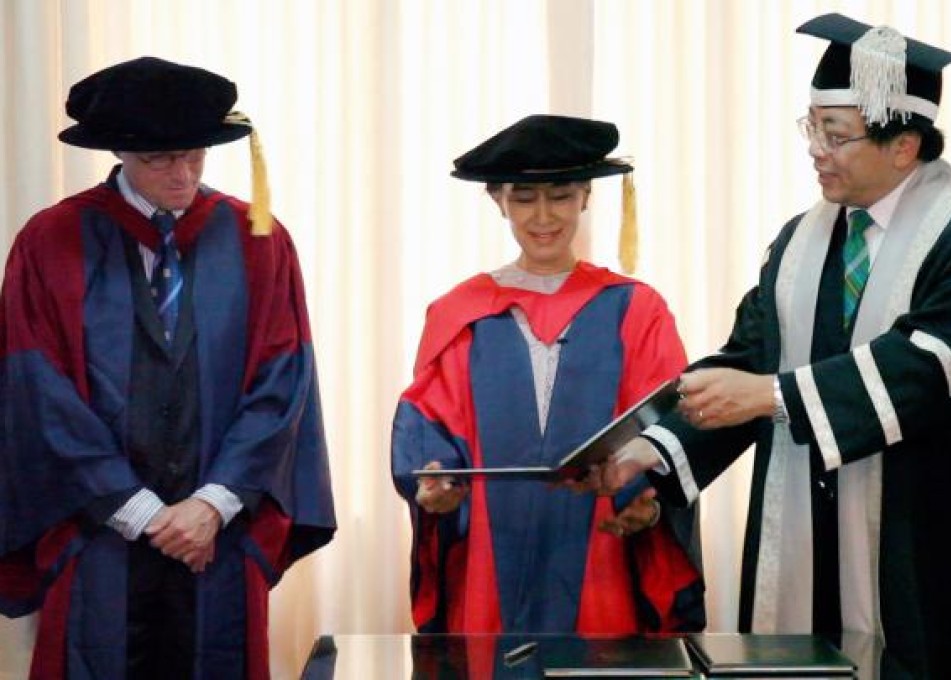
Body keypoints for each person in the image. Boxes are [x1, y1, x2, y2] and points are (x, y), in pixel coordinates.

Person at [588, 13, 951, 680]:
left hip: (935, 542)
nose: (816, 148)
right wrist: (648, 450)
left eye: (836, 134)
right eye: (811, 127)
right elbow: (750, 357)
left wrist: (770, 396)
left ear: (904, 145)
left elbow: (928, 365)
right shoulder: (800, 243)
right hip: (808, 543)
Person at [0, 56, 336, 680]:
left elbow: (282, 384)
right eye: (160, 160)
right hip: (97, 529)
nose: (182, 175)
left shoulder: (257, 238)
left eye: (195, 155)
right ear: (121, 152)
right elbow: (35, 391)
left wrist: (213, 503)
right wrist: (141, 511)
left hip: (219, 535)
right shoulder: (52, 241)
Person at [390, 114, 705, 636]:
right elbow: (430, 423)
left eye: (560, 196)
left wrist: (644, 502)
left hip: (600, 552)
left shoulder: (636, 309)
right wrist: (433, 481)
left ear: (586, 196)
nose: (543, 217)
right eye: (523, 198)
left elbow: (669, 423)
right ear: (498, 201)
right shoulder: (460, 312)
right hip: (490, 556)